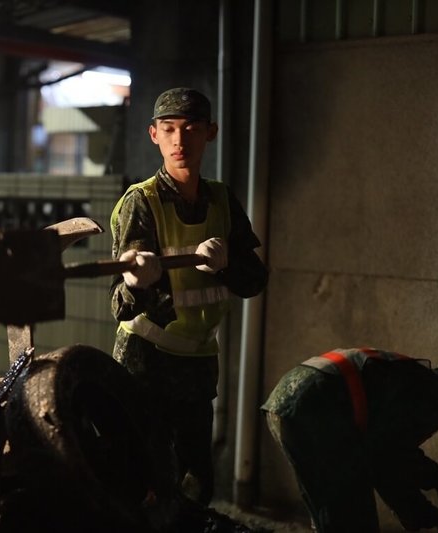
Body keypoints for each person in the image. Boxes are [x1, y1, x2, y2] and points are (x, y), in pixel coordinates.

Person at [109, 87, 268, 505]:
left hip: (197, 364)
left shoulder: (221, 199)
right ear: (154, 135)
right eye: (169, 129)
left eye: (192, 128)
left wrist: (226, 265)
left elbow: (254, 281)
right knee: (143, 480)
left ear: (210, 133)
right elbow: (118, 306)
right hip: (145, 361)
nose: (180, 140)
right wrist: (136, 282)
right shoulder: (141, 202)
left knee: (196, 483)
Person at [261, 348, 438, 532]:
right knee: (352, 521)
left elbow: (385, 466)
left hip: (284, 403)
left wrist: (436, 519)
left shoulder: (409, 378)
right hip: (318, 405)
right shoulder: (435, 395)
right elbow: (390, 460)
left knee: (333, 515)